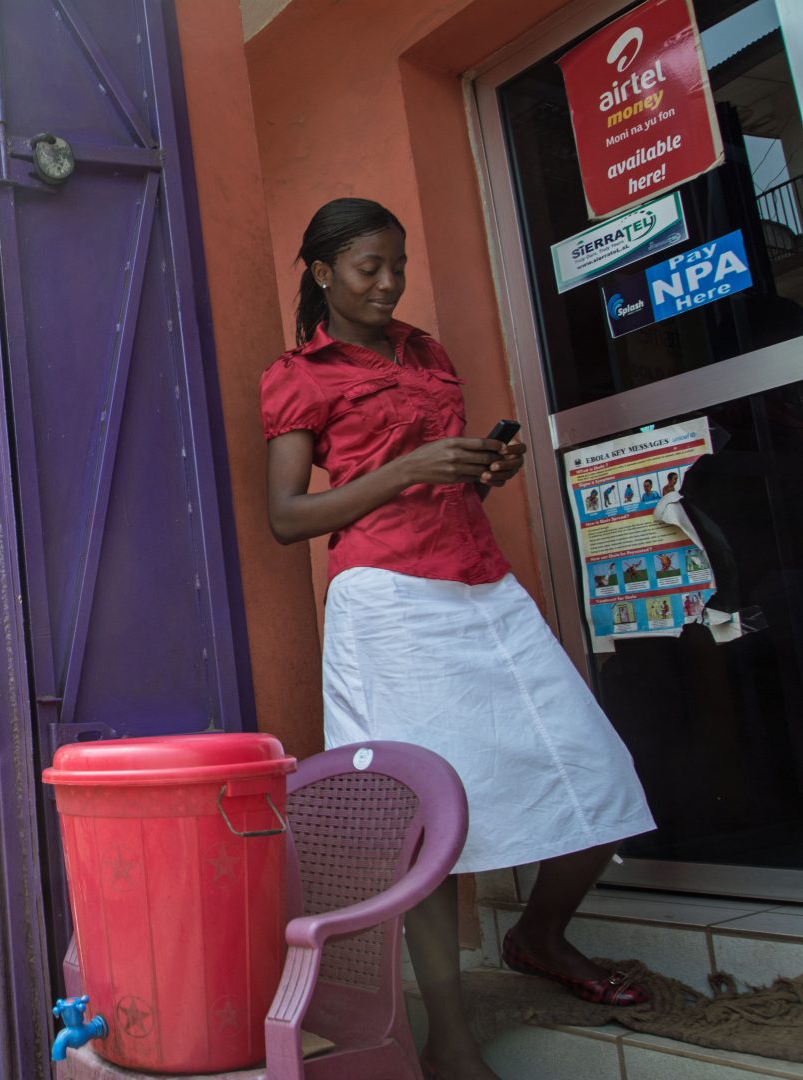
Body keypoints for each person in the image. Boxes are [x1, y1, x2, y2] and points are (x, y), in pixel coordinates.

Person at [260, 198, 656, 1080]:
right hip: (390, 604)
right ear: (323, 273)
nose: (390, 282)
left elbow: (446, 481)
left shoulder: (426, 351)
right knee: (418, 822)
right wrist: (404, 471)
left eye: (397, 265)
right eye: (370, 267)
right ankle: (452, 1034)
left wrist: (482, 470)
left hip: (482, 582)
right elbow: (287, 518)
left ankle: (540, 937)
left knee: (596, 773)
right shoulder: (297, 374)